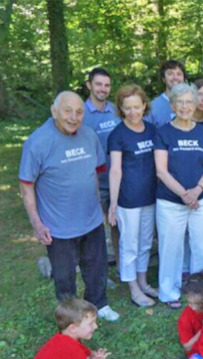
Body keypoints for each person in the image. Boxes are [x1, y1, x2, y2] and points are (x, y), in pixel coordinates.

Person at [19, 91, 119, 321]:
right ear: (54, 111)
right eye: (67, 111)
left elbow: (94, 174)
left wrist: (99, 208)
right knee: (64, 275)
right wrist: (36, 223)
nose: (74, 117)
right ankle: (70, 313)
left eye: (79, 112)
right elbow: (26, 187)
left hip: (90, 218)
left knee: (96, 265)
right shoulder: (38, 142)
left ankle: (99, 304)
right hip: (58, 225)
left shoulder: (89, 135)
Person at [154, 83, 203, 309]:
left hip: (202, 199)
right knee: (171, 247)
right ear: (172, 105)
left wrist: (197, 191)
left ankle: (200, 292)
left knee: (200, 246)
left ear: (195, 104)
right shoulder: (163, 133)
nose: (185, 106)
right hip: (171, 201)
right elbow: (161, 170)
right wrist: (184, 194)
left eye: (189, 102)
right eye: (180, 102)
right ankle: (169, 292)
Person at [107, 85, 158, 307]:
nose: (133, 112)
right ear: (121, 109)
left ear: (144, 106)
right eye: (128, 108)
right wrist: (113, 204)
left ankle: (143, 281)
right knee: (130, 244)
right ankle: (134, 289)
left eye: (137, 107)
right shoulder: (117, 135)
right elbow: (116, 170)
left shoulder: (152, 130)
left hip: (150, 197)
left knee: (146, 242)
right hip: (128, 200)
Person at [82, 68, 120, 254]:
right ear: (89, 85)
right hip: (92, 182)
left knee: (118, 226)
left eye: (106, 85)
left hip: (117, 180)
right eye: (98, 84)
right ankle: (99, 273)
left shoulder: (116, 111)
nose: (103, 89)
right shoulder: (80, 114)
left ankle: (122, 270)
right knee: (94, 231)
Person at [146, 60, 186, 127]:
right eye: (170, 74)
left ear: (184, 78)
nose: (175, 77)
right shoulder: (153, 107)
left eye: (179, 74)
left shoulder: (191, 105)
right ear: (163, 79)